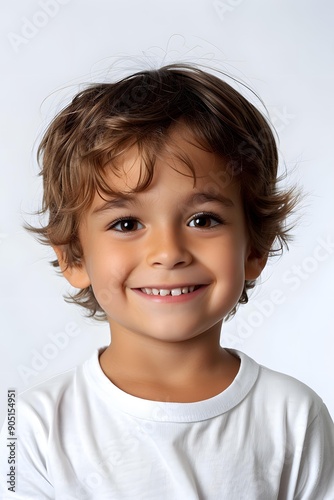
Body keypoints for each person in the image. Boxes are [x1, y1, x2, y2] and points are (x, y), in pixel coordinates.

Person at [0, 64, 333, 499]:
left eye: (203, 219)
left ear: (254, 249)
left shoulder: (293, 416)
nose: (169, 252)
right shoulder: (28, 426)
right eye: (126, 223)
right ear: (73, 256)